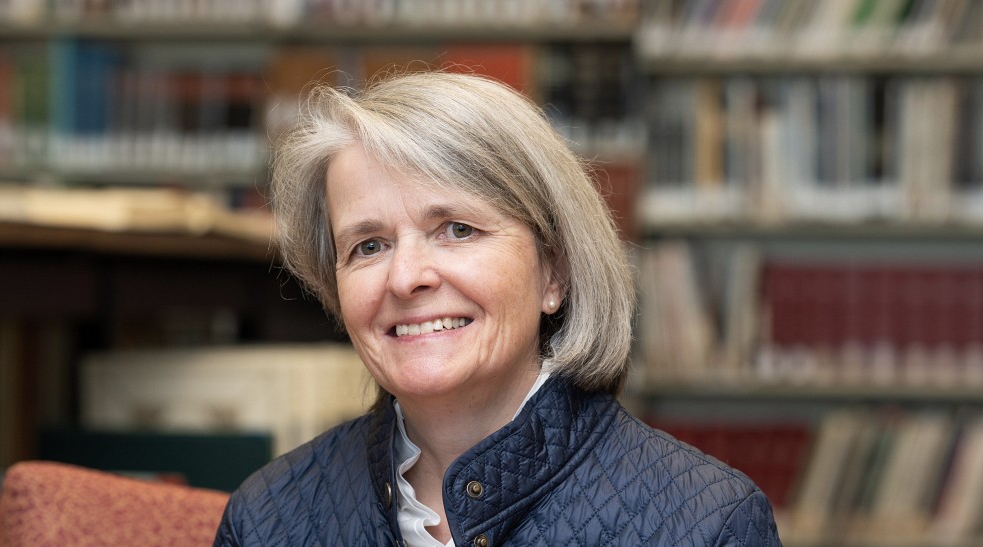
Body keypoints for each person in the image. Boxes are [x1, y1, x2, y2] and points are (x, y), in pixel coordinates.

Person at [213, 71, 782, 547]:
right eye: (369, 245)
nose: (407, 277)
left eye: (457, 230)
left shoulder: (708, 526)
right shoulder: (266, 520)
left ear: (553, 272)